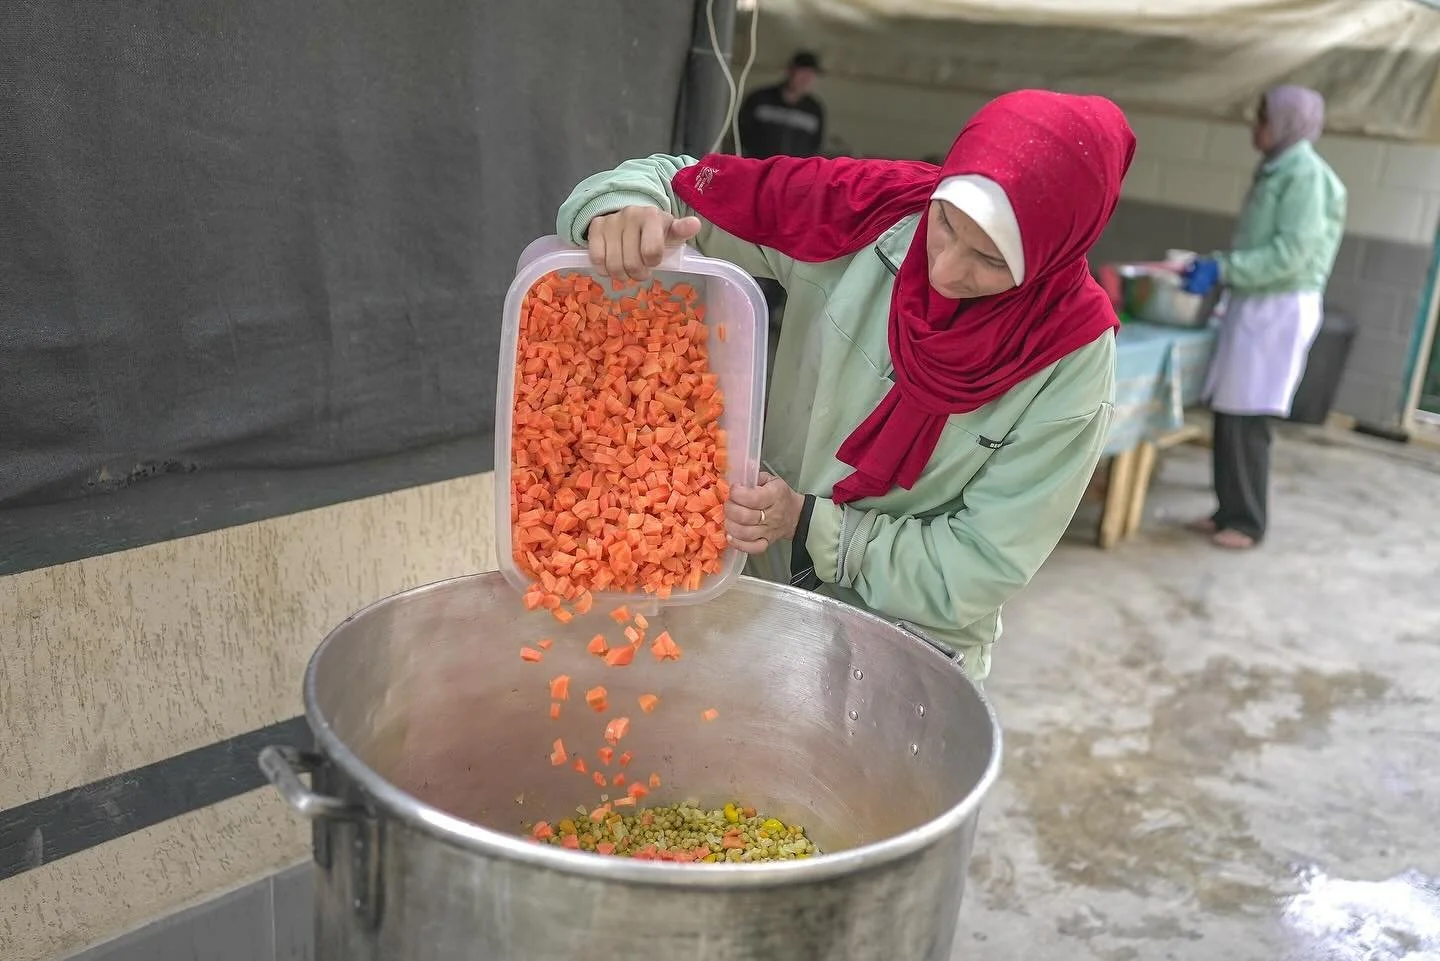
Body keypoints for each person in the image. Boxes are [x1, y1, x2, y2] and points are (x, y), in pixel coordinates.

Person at [556, 91, 1134, 680]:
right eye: (944, 224)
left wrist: (811, 523)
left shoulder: (1068, 360)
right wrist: (627, 210)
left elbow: (976, 568)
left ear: (1052, 253)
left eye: (989, 260)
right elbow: (675, 183)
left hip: (904, 644)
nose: (945, 269)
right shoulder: (868, 212)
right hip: (757, 585)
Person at [1181, 85, 1347, 551]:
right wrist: (1226, 268)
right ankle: (1226, 510)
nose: (1255, 128)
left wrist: (1224, 268)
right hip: (1256, 301)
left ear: (1288, 123)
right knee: (1230, 410)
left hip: (1279, 307)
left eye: (1263, 119)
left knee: (1250, 415)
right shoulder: (1278, 168)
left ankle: (1248, 521)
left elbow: (1291, 255)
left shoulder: (1305, 176)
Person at [736, 50, 826, 160]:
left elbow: (815, 145)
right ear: (790, 71)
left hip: (796, 170)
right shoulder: (760, 99)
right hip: (760, 167)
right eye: (803, 73)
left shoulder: (814, 110)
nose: (806, 79)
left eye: (811, 75)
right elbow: (739, 135)